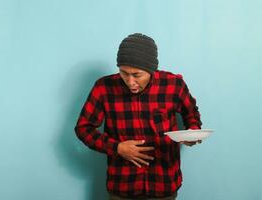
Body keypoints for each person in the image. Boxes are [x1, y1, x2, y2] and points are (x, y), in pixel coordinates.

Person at [74, 33, 202, 200]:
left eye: (137, 75)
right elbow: (83, 128)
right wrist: (117, 148)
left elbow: (192, 114)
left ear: (151, 70)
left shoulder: (173, 85)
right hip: (122, 185)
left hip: (163, 183)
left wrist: (193, 132)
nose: (130, 81)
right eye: (124, 73)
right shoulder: (103, 88)